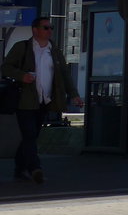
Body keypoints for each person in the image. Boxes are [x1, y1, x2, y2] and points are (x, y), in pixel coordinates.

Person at [2, 16, 81, 184]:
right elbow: (6, 67)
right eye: (46, 27)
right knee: (29, 134)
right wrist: (22, 75)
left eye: (51, 27)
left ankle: (19, 167)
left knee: (31, 135)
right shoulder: (23, 47)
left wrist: (74, 94)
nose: (50, 30)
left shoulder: (54, 50)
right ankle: (35, 168)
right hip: (24, 100)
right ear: (35, 30)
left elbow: (65, 75)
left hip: (44, 101)